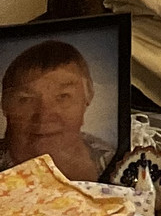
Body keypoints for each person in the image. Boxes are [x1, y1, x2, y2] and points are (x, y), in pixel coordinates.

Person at [0, 40, 113, 180]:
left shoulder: (113, 160)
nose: (44, 115)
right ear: (5, 105)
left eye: (63, 96)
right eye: (26, 99)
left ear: (87, 97)